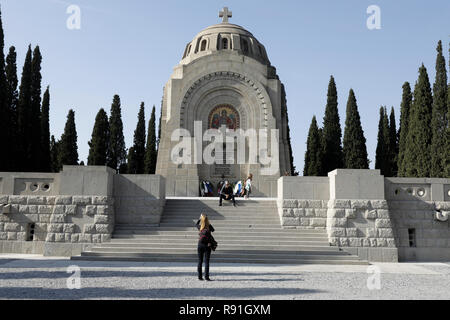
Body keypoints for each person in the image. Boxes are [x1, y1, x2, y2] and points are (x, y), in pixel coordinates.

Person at [196, 214, 215, 281]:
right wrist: (208, 223)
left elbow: (196, 224)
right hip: (207, 245)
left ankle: (199, 277)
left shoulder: (200, 227)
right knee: (207, 262)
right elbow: (213, 230)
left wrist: (200, 219)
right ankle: (206, 277)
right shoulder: (209, 227)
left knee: (200, 261)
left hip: (200, 245)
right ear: (207, 221)